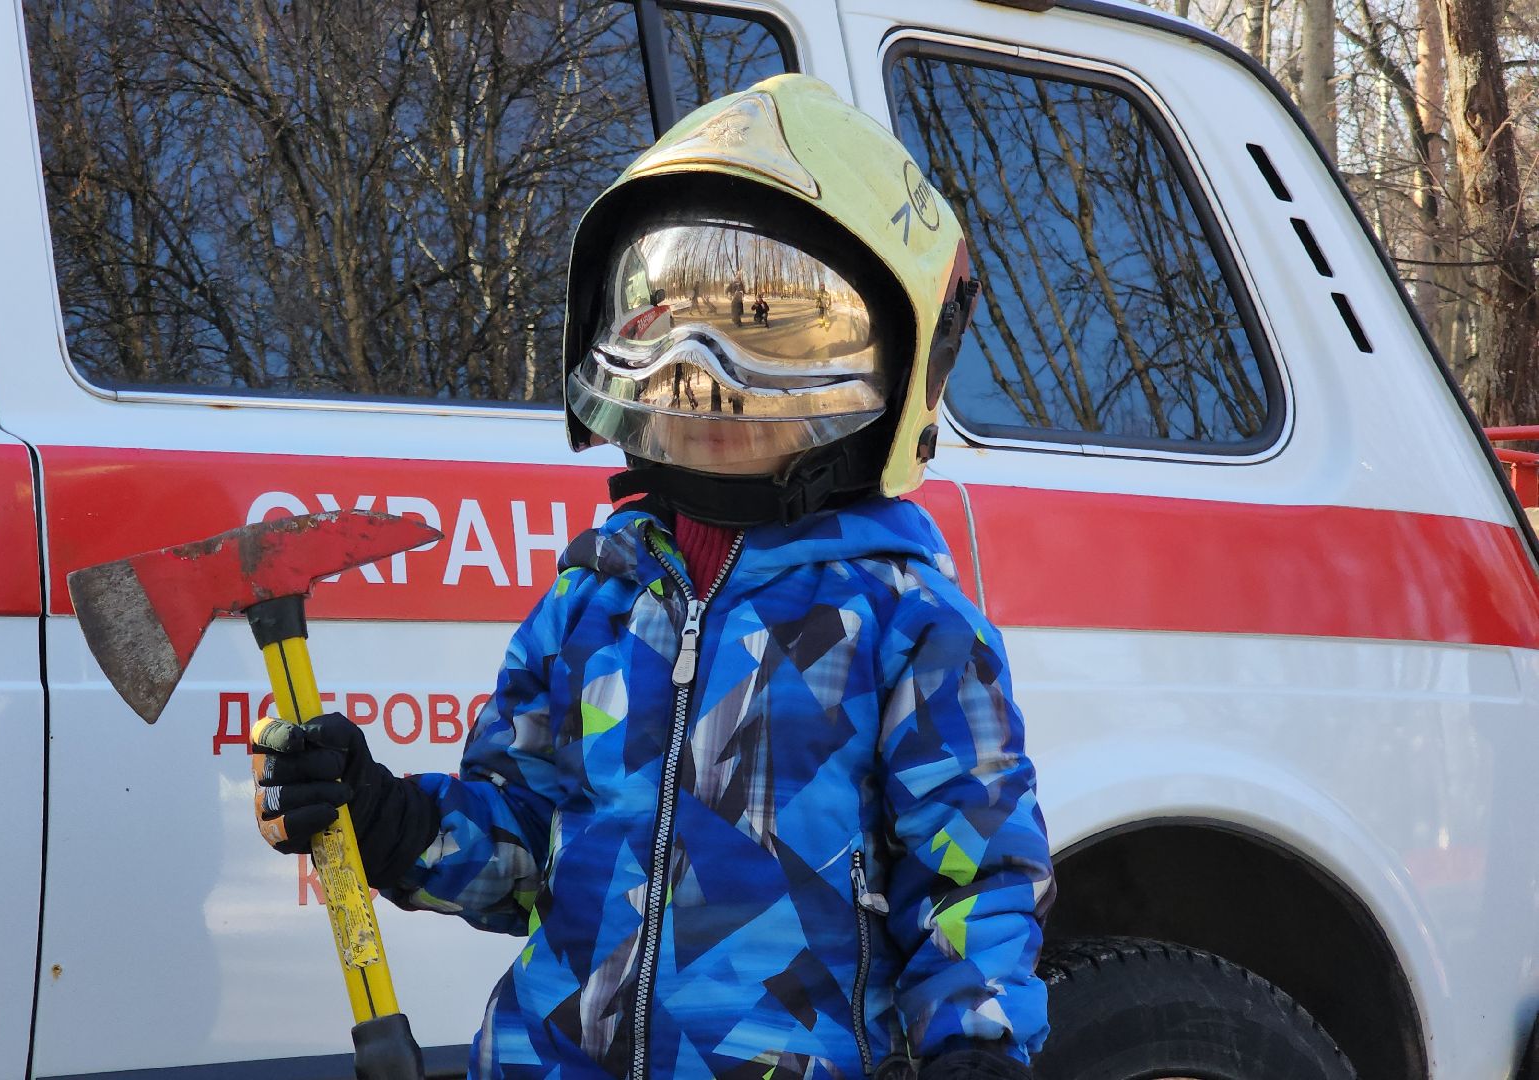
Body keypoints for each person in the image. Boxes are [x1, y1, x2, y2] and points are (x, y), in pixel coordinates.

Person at [252, 73, 1052, 1080]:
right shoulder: (591, 602)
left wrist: (975, 1047)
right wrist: (381, 817)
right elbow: (519, 848)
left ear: (892, 359)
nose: (699, 375)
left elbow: (973, 879)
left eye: (765, 332)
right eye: (667, 327)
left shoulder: (906, 625)